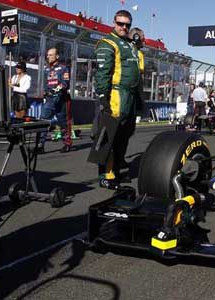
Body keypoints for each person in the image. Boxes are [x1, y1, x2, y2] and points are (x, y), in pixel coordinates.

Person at [88, 10, 142, 189]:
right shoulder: (107, 43)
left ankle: (116, 171)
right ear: (114, 22)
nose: (124, 27)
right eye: (120, 23)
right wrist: (103, 97)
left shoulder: (131, 44)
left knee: (124, 136)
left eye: (127, 24)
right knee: (110, 135)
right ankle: (107, 175)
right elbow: (102, 73)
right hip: (116, 95)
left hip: (131, 96)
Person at [39, 47, 72, 153]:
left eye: (50, 55)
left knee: (63, 123)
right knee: (43, 121)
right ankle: (40, 145)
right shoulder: (46, 69)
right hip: (49, 100)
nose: (48, 57)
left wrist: (55, 91)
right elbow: (46, 84)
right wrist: (45, 91)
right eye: (47, 55)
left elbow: (65, 84)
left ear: (57, 56)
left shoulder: (64, 68)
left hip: (61, 100)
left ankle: (67, 144)